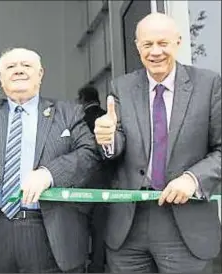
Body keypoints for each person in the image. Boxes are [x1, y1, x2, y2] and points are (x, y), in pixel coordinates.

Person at [0, 47, 101, 272]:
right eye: (10, 67)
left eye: (26, 65)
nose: (19, 71)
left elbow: (89, 154)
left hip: (50, 231)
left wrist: (49, 174)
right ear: (0, 77)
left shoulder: (68, 113)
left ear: (40, 73)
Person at [94, 13, 221, 273]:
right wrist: (107, 140)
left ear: (178, 42)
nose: (155, 52)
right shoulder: (122, 86)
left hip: (186, 222)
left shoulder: (209, 85)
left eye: (163, 43)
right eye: (147, 44)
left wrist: (193, 179)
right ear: (137, 46)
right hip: (129, 225)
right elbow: (118, 143)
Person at [77, 85, 112, 273]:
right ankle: (98, 266)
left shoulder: (80, 121)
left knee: (80, 226)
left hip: (83, 182)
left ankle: (81, 264)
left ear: (82, 99)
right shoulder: (108, 117)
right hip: (106, 183)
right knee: (101, 228)